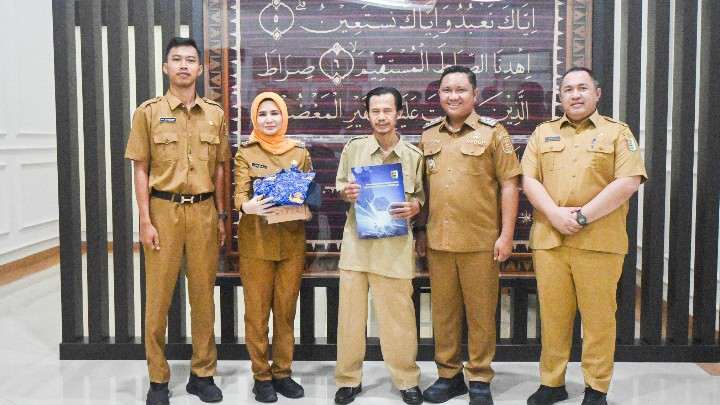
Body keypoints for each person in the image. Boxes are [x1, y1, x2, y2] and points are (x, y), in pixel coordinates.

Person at [521, 67, 647, 405]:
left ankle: (596, 387)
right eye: (568, 89)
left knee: (599, 319)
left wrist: (581, 216)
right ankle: (552, 383)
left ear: (597, 93)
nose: (575, 95)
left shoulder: (617, 133)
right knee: (553, 318)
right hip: (551, 240)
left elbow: (629, 182)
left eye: (582, 88)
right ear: (560, 96)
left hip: (598, 242)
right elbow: (529, 180)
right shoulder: (543, 133)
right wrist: (554, 215)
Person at [125, 37, 228, 405]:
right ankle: (158, 379)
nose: (184, 65)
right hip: (163, 212)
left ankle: (203, 374)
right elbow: (141, 168)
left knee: (203, 298)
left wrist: (220, 214)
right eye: (176, 59)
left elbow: (220, 168)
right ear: (165, 67)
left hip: (203, 212)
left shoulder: (214, 114)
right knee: (158, 301)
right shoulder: (148, 112)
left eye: (190, 60)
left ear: (199, 69)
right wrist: (145, 219)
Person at [417, 65, 521, 405]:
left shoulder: (494, 133)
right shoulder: (428, 135)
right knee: (443, 314)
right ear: (439, 95)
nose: (453, 96)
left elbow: (510, 185)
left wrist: (506, 235)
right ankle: (448, 376)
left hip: (481, 242)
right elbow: (422, 190)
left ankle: (479, 377)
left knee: (481, 314)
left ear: (475, 95)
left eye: (461, 90)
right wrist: (420, 231)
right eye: (447, 90)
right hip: (439, 242)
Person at [333, 87, 425, 405]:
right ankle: (348, 379)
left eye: (387, 110)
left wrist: (415, 207)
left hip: (395, 250)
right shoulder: (354, 149)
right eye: (375, 111)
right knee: (350, 320)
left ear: (399, 113)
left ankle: (407, 380)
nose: (382, 117)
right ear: (367, 114)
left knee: (399, 320)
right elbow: (340, 185)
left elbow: (421, 197)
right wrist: (346, 192)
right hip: (357, 248)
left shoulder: (413, 156)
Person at [233, 91, 312, 403]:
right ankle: (261, 376)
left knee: (285, 311)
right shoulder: (246, 152)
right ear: (255, 118)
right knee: (256, 314)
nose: (269, 119)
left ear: (284, 116)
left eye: (274, 113)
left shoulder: (299, 152)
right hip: (256, 243)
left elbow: (309, 191)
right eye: (262, 114)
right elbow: (239, 194)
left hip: (291, 243)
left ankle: (282, 372)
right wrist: (247, 206)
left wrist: (306, 204)